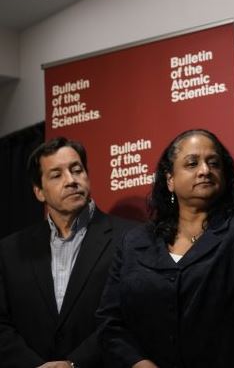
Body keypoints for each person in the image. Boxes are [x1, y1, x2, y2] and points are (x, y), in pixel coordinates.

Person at [97, 129, 234, 368]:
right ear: (170, 179)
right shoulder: (134, 242)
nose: (205, 170)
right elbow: (110, 322)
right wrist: (138, 363)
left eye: (213, 163)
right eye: (192, 163)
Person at [0, 137, 135, 368]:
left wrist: (74, 363)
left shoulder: (130, 238)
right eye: (56, 175)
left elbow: (131, 312)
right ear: (39, 192)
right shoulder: (9, 250)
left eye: (77, 170)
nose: (71, 180)